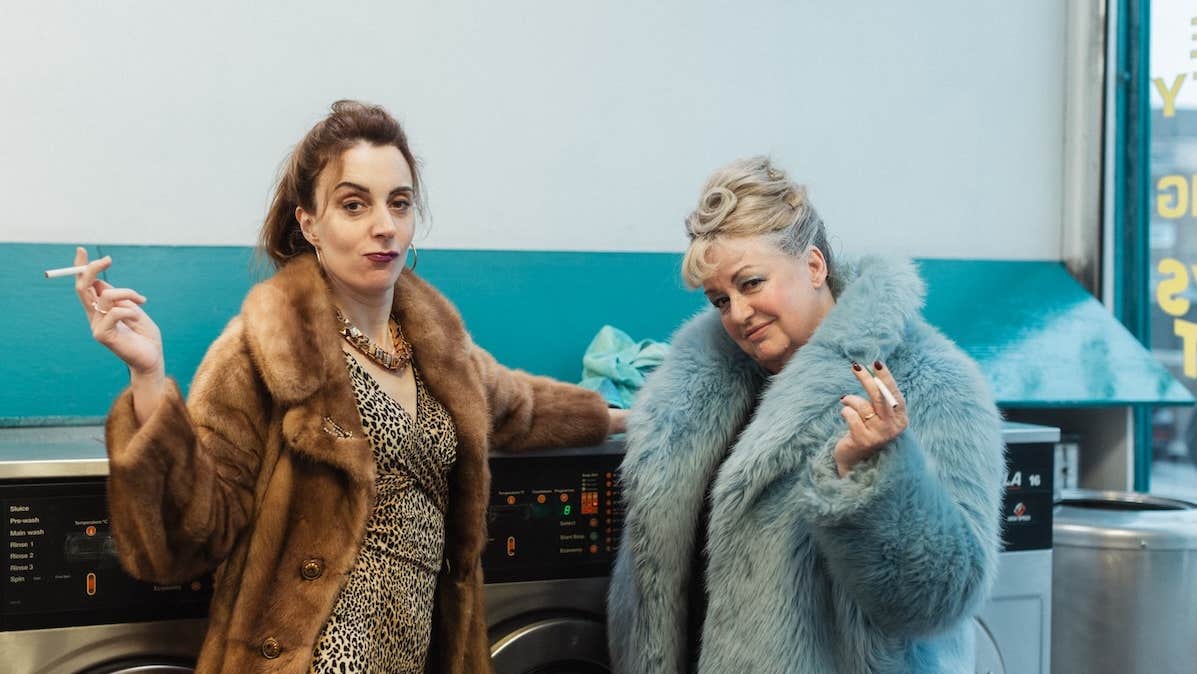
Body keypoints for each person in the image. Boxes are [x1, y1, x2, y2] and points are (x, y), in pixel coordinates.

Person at [73, 100, 626, 674]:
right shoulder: (263, 349)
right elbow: (189, 538)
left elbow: (520, 407)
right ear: (309, 222)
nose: (383, 225)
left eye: (400, 203)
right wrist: (148, 376)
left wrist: (621, 415)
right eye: (354, 204)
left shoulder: (439, 344)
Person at [607, 157, 1005, 673]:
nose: (738, 314)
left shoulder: (935, 385)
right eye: (720, 299)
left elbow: (944, 598)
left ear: (814, 266)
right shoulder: (694, 395)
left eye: (751, 283)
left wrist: (877, 478)